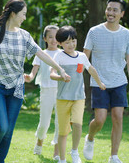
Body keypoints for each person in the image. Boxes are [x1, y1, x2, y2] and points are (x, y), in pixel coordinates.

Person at [0, 0, 71, 163]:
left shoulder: (24, 36)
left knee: (9, 130)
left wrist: (60, 68)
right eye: (23, 14)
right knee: (2, 126)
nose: (25, 18)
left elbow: (41, 54)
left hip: (16, 88)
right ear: (13, 13)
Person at [82, 0, 129, 163]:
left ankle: (114, 156)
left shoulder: (127, 34)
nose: (110, 13)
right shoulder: (94, 32)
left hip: (119, 81)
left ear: (122, 14)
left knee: (118, 117)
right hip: (99, 82)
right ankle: (90, 138)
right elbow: (84, 58)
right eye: (109, 9)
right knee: (99, 120)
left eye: (115, 10)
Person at [50, 26, 106, 163]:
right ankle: (62, 159)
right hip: (62, 99)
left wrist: (100, 83)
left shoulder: (81, 56)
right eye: (67, 42)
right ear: (60, 43)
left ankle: (74, 151)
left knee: (77, 124)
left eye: (73, 41)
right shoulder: (59, 56)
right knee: (63, 132)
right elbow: (52, 74)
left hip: (78, 97)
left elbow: (91, 69)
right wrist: (61, 77)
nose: (71, 44)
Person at [24, 25, 61, 160]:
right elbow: (34, 71)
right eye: (50, 37)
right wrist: (29, 77)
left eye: (56, 37)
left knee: (59, 122)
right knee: (44, 122)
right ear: (45, 38)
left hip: (61, 92)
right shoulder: (41, 53)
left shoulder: (63, 53)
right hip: (46, 90)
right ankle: (39, 141)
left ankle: (57, 151)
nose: (53, 40)